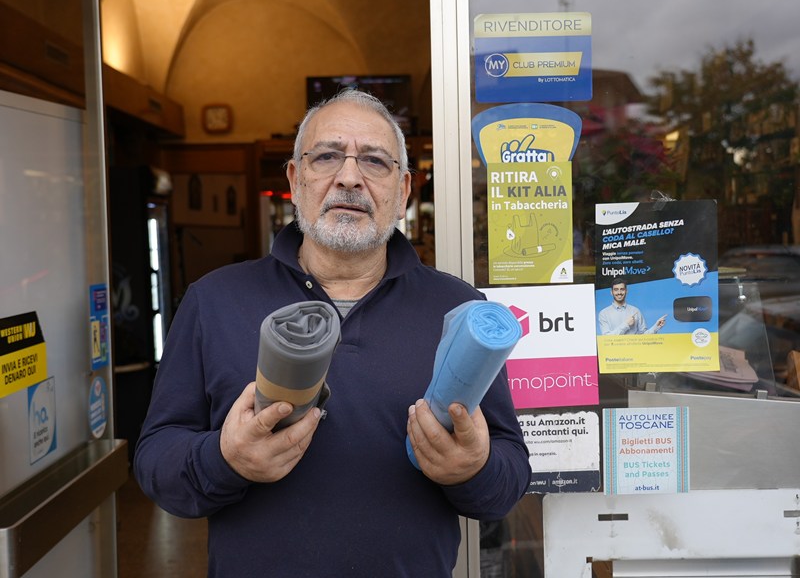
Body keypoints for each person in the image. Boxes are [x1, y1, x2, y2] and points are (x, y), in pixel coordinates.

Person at [133, 88, 531, 577]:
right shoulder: (214, 300)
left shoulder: (459, 309)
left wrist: (473, 468)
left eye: (375, 161)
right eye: (326, 157)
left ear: (403, 192)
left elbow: (507, 480)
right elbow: (155, 462)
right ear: (295, 180)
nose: (349, 177)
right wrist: (224, 459)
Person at [598, 277, 667, 335]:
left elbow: (643, 337)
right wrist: (626, 325)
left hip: (634, 347)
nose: (619, 292)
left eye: (622, 289)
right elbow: (606, 338)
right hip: (614, 348)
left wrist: (656, 327)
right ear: (611, 292)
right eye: (616, 290)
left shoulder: (635, 311)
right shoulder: (604, 314)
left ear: (626, 291)